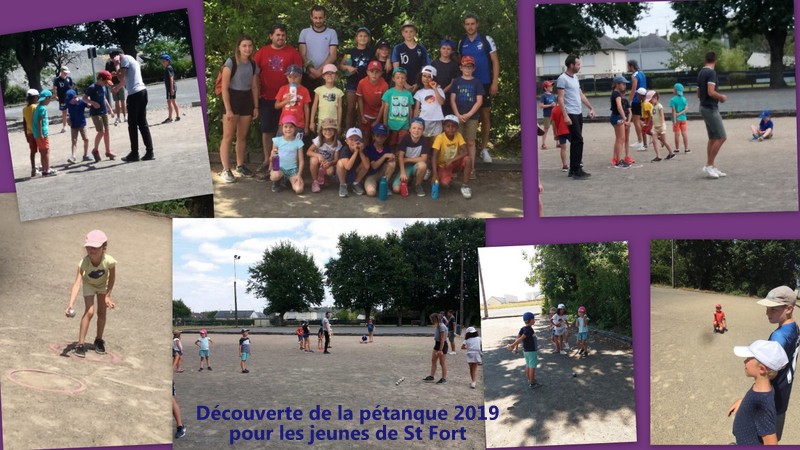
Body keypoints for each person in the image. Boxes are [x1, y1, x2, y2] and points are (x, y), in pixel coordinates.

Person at [253, 24, 303, 178]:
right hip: (267, 98)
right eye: (277, 35)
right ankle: (268, 161)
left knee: (286, 131)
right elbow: (254, 75)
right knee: (267, 130)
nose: (280, 37)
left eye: (283, 35)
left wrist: (295, 97)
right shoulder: (262, 52)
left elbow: (300, 76)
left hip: (288, 99)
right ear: (271, 36)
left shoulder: (292, 52)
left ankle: (288, 165)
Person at [65, 230, 116, 358]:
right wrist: (70, 304)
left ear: (104, 247)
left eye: (95, 247)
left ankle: (99, 339)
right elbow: (77, 283)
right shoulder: (84, 263)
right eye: (89, 247)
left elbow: (112, 278)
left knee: (102, 312)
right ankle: (80, 343)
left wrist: (108, 296)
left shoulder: (109, 261)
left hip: (102, 285)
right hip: (89, 285)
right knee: (90, 311)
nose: (91, 250)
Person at [218, 35, 260, 183]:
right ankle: (225, 169)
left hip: (247, 99)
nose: (247, 48)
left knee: (242, 136)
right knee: (228, 136)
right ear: (238, 47)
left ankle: (240, 166)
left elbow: (254, 87)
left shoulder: (253, 64)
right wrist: (228, 109)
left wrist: (255, 106)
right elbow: (224, 87)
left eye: (250, 46)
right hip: (232, 99)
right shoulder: (231, 62)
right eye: (244, 46)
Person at [729, 340, 787, 445]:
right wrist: (744, 402)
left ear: (761, 369)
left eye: (748, 359)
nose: (744, 361)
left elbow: (771, 444)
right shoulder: (763, 388)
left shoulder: (762, 403)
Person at [459, 14, 499, 163]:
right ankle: (464, 151)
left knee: (485, 116)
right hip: (466, 84)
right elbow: (459, 62)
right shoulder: (461, 42)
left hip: (485, 83)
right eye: (467, 24)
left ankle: (483, 149)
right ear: (464, 26)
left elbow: (495, 61)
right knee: (465, 116)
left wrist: (494, 82)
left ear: (477, 25)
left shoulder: (486, 40)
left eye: (473, 24)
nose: (470, 26)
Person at [109, 49, 155, 162]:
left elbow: (121, 76)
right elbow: (125, 80)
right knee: (142, 123)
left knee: (132, 125)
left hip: (135, 94)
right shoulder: (131, 59)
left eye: (113, 59)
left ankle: (134, 153)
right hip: (142, 91)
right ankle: (150, 152)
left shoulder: (124, 59)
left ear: (116, 56)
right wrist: (118, 87)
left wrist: (116, 65)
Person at [557, 55, 595, 179]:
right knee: (579, 140)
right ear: (571, 65)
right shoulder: (562, 78)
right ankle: (576, 169)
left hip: (578, 113)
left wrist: (590, 107)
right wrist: (565, 116)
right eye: (578, 64)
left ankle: (573, 169)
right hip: (571, 113)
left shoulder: (575, 78)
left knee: (575, 141)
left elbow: (580, 94)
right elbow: (561, 98)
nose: (579, 66)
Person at [451, 56, 484, 176]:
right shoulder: (457, 82)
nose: (467, 69)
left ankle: (471, 168)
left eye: (470, 67)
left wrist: (469, 114)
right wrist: (457, 115)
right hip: (458, 116)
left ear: (473, 68)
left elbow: (479, 101)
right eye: (465, 66)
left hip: (472, 117)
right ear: (461, 67)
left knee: (470, 141)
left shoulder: (477, 82)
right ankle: (456, 167)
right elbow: (452, 99)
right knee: (458, 142)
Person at [697, 51, 728, 179]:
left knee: (713, 138)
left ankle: (711, 165)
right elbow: (711, 91)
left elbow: (698, 93)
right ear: (715, 61)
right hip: (710, 108)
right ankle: (709, 165)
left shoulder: (701, 73)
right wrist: (721, 97)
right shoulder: (711, 73)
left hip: (703, 106)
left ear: (705, 60)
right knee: (722, 137)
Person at [299, 5, 339, 100]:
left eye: (320, 17)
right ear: (311, 17)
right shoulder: (304, 32)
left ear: (325, 17)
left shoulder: (331, 33)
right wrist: (312, 70)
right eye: (315, 18)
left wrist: (320, 71)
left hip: (326, 75)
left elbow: (333, 55)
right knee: (307, 105)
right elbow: (302, 54)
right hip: (308, 75)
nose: (318, 20)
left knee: (326, 105)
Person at [339, 27, 375, 130]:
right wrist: (347, 67)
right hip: (352, 83)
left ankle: (361, 134)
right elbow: (340, 66)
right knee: (350, 109)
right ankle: (348, 133)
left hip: (367, 84)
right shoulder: (350, 51)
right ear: (356, 38)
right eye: (360, 36)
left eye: (365, 36)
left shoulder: (372, 52)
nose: (363, 38)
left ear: (368, 38)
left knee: (362, 111)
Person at [431, 115, 473, 198]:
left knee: (468, 159)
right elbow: (434, 157)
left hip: (454, 163)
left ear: (457, 127)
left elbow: (465, 151)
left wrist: (452, 160)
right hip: (443, 165)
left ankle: (465, 186)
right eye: (448, 126)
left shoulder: (458, 135)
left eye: (453, 126)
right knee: (444, 183)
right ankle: (443, 176)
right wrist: (434, 174)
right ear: (444, 127)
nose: (450, 129)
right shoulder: (440, 138)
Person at [84, 71, 117, 162]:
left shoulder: (104, 87)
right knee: (101, 132)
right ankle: (95, 150)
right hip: (95, 113)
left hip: (104, 111)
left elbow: (104, 98)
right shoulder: (92, 87)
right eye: (106, 81)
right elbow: (84, 98)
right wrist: (92, 103)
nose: (106, 84)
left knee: (107, 131)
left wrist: (110, 109)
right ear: (101, 79)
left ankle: (108, 151)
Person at [393, 118, 429, 197]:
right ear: (409, 129)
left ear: (423, 130)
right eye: (414, 128)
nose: (416, 131)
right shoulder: (406, 138)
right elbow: (400, 156)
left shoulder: (424, 140)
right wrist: (402, 172)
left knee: (423, 165)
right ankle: (408, 179)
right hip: (405, 167)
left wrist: (408, 159)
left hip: (416, 166)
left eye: (419, 128)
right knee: (396, 189)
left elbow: (424, 158)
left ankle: (417, 185)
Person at [269, 114, 305, 194]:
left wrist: (299, 175)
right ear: (282, 128)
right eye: (286, 126)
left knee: (299, 189)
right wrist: (272, 164)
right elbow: (273, 158)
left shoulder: (298, 142)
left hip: (293, 170)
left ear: (295, 128)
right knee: (275, 175)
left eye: (291, 127)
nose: (288, 129)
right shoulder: (277, 140)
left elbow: (301, 160)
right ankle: (277, 182)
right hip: (279, 168)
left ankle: (287, 181)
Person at [274, 64, 311, 140]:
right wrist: (285, 101)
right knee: (280, 144)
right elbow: (276, 106)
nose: (292, 79)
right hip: (284, 123)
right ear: (287, 77)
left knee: (298, 146)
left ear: (300, 76)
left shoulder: (304, 90)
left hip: (299, 124)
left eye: (295, 77)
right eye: (290, 77)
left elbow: (306, 108)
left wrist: (306, 126)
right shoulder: (283, 89)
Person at [392, 20, 430, 92]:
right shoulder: (398, 48)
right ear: (402, 33)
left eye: (411, 31)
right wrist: (405, 84)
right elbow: (396, 68)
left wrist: (418, 83)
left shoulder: (421, 48)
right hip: (401, 84)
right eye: (406, 31)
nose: (408, 34)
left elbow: (424, 68)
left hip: (418, 84)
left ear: (415, 32)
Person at [356, 60, 388, 143]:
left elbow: (384, 104)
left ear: (381, 73)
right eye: (371, 71)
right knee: (365, 135)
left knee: (378, 136)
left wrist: (377, 120)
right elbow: (360, 99)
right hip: (366, 112)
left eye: (377, 72)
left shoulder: (384, 85)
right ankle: (363, 154)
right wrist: (362, 116)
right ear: (367, 72)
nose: (374, 74)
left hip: (378, 113)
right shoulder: (362, 83)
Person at [506, 312, 541, 389]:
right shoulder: (529, 330)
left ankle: (530, 379)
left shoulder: (523, 328)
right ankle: (532, 383)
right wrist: (512, 346)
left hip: (526, 351)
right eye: (533, 319)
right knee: (532, 367)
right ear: (530, 320)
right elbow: (521, 338)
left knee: (528, 365)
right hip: (532, 351)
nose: (534, 320)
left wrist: (516, 348)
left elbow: (518, 338)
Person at [382, 67, 414, 147]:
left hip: (404, 125)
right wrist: (385, 123)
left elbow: (410, 109)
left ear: (406, 79)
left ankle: (399, 157)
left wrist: (410, 123)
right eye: (398, 78)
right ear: (393, 79)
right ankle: (391, 157)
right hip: (391, 124)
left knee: (401, 144)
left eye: (403, 78)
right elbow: (385, 109)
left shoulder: (408, 94)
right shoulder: (389, 92)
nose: (400, 80)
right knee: (391, 144)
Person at [307, 118, 341, 193]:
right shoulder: (318, 140)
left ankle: (325, 178)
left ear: (335, 131)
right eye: (325, 129)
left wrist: (330, 163)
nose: (327, 132)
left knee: (330, 171)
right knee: (313, 160)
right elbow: (308, 152)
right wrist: (318, 155)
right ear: (321, 131)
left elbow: (336, 159)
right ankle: (315, 182)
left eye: (330, 130)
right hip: (318, 163)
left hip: (328, 164)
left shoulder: (337, 143)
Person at [309, 64, 343, 135]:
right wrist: (312, 122)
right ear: (323, 76)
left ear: (336, 76)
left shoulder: (339, 92)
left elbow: (339, 108)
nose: (330, 75)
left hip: (334, 121)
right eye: (327, 73)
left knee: (332, 140)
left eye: (332, 73)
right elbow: (314, 106)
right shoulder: (319, 90)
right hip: (322, 121)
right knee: (321, 140)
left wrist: (339, 125)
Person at [413, 65, 445, 140]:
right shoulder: (419, 92)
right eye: (424, 76)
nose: (426, 79)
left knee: (436, 143)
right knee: (424, 141)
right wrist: (414, 121)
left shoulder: (439, 90)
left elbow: (441, 102)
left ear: (433, 78)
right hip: (424, 120)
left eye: (429, 77)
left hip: (437, 120)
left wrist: (435, 89)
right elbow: (416, 109)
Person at [363, 123, 396, 197]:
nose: (380, 138)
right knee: (371, 193)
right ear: (373, 136)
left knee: (392, 163)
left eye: (383, 136)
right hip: (371, 175)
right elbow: (374, 166)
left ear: (386, 137)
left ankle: (385, 184)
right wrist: (384, 156)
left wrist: (392, 157)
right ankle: (377, 185)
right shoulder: (369, 148)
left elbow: (391, 164)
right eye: (377, 135)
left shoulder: (387, 148)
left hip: (382, 174)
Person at [337, 128, 369, 197]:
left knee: (366, 160)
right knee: (340, 162)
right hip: (344, 174)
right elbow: (347, 167)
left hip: (355, 173)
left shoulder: (363, 150)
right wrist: (355, 152)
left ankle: (356, 183)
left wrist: (360, 152)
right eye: (351, 139)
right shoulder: (345, 149)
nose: (354, 142)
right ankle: (342, 185)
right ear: (346, 141)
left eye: (356, 140)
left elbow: (366, 166)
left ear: (361, 141)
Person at [431, 39, 460, 116]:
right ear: (440, 49)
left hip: (448, 96)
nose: (445, 51)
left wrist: (442, 92)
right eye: (443, 48)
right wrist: (437, 92)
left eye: (448, 49)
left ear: (451, 51)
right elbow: (430, 79)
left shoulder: (454, 65)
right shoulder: (433, 64)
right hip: (434, 94)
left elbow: (453, 82)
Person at [32, 89, 56, 176]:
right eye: (49, 99)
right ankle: (47, 169)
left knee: (42, 151)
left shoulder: (38, 107)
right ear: (46, 98)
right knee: (46, 151)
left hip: (36, 134)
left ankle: (44, 169)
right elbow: (39, 121)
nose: (49, 101)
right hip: (42, 133)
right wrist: (41, 133)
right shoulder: (42, 108)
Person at [609, 76, 632, 168]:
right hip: (617, 117)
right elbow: (619, 107)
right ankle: (619, 161)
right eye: (623, 84)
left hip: (615, 116)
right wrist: (625, 118)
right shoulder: (617, 94)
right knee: (620, 139)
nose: (625, 86)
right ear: (617, 84)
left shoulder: (614, 94)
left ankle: (618, 159)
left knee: (619, 139)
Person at [647, 90, 675, 162]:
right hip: (655, 127)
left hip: (660, 126)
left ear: (655, 98)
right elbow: (653, 116)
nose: (650, 102)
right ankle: (658, 156)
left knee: (664, 141)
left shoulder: (659, 106)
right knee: (654, 141)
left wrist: (662, 126)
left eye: (651, 100)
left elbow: (662, 117)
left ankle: (671, 153)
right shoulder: (653, 106)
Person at [64, 89, 90, 164]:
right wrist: (68, 120)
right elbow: (68, 113)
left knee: (86, 139)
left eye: (71, 100)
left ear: (75, 97)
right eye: (69, 100)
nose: (70, 102)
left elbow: (88, 105)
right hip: (73, 125)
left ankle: (85, 155)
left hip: (82, 124)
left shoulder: (81, 102)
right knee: (74, 141)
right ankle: (73, 156)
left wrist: (89, 103)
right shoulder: (69, 104)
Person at [423, 313, 448, 384]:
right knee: (433, 360)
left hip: (442, 346)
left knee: (442, 363)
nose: (431, 321)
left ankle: (444, 379)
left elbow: (442, 339)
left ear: (435, 319)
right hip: (437, 344)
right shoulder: (437, 326)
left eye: (432, 320)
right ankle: (431, 376)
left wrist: (440, 350)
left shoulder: (442, 327)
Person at [627, 59, 646, 150]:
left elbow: (633, 89)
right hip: (643, 98)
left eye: (628, 66)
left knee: (636, 121)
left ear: (631, 66)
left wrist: (629, 100)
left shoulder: (634, 76)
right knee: (639, 120)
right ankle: (643, 140)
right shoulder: (642, 73)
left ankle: (640, 141)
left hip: (636, 100)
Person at [22, 89, 41, 177]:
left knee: (32, 151)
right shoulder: (35, 107)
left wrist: (26, 135)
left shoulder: (24, 109)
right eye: (37, 97)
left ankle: (33, 168)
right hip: (37, 132)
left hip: (29, 133)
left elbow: (24, 123)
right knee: (42, 149)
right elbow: (38, 120)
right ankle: (43, 165)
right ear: (34, 97)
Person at [105, 54, 127, 125]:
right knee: (116, 101)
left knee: (123, 100)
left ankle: (125, 116)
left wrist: (117, 74)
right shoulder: (108, 64)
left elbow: (122, 73)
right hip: (113, 83)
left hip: (120, 83)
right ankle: (118, 117)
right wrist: (111, 75)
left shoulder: (120, 62)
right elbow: (107, 75)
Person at [52, 67, 74, 133]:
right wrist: (55, 95)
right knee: (64, 111)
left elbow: (71, 87)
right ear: (61, 71)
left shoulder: (69, 79)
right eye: (65, 72)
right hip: (62, 98)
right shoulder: (57, 79)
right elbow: (54, 88)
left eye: (67, 73)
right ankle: (64, 126)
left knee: (72, 110)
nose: (66, 74)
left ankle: (73, 122)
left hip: (70, 97)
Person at [669, 83, 690, 153]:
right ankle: (686, 148)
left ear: (675, 90)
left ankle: (677, 148)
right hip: (683, 119)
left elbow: (673, 110)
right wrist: (681, 113)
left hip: (676, 120)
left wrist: (675, 120)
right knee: (684, 133)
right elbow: (686, 108)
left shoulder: (673, 100)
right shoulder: (684, 99)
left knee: (677, 134)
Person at [160, 54, 180, 123]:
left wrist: (171, 89)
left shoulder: (169, 68)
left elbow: (171, 78)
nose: (162, 62)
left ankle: (171, 118)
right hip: (169, 88)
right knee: (171, 101)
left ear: (168, 61)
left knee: (171, 102)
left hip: (171, 88)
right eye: (162, 61)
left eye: (163, 61)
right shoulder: (168, 68)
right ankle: (176, 116)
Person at [550, 104, 570, 172]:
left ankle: (564, 165)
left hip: (560, 131)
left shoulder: (554, 110)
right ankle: (578, 161)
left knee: (563, 148)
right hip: (569, 130)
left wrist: (555, 134)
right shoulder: (567, 107)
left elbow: (553, 123)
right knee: (575, 145)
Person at [539, 81, 556, 150]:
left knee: (556, 129)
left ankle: (557, 143)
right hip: (547, 115)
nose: (551, 87)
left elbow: (555, 104)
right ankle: (543, 143)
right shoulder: (544, 96)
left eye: (552, 86)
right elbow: (541, 106)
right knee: (546, 129)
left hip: (554, 115)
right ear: (545, 88)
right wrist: (550, 105)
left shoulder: (553, 96)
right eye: (550, 86)